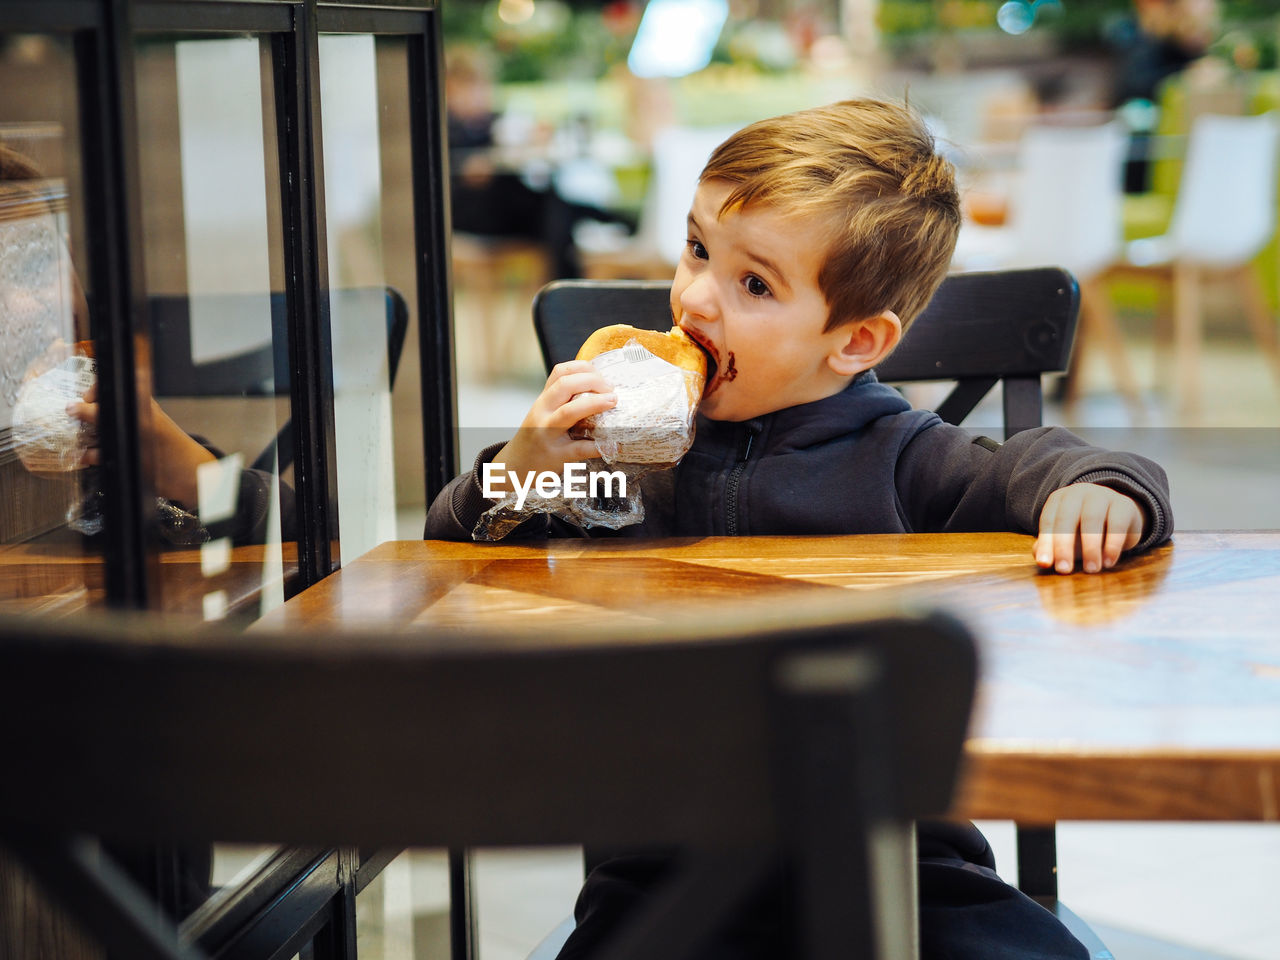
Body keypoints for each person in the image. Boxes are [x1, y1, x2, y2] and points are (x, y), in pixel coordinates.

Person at [425, 98, 1173, 959]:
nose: (696, 298)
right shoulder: (617, 458)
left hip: (908, 860)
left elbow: (1036, 465)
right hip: (663, 869)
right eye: (699, 248)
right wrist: (523, 461)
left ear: (855, 340)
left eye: (754, 284)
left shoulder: (904, 458)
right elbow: (451, 557)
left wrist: (1102, 489)